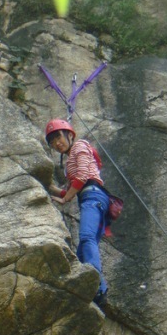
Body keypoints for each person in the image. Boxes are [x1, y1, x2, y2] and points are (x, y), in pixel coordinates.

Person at [45, 118, 109, 306]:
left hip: (93, 196)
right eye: (53, 142)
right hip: (90, 198)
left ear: (70, 135)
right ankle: (100, 293)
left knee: (87, 238)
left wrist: (65, 199)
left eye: (59, 137)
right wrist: (48, 186)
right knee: (82, 252)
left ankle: (96, 284)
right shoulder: (70, 159)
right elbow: (69, 190)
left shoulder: (80, 145)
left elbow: (81, 177)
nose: (57, 143)